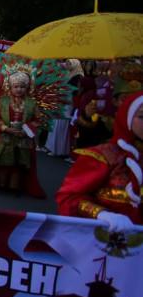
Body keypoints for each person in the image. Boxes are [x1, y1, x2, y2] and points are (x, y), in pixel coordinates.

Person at [0, 58, 71, 198]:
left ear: (28, 87)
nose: (19, 89)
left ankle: (14, 186)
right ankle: (2, 184)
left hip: (24, 139)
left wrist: (27, 129)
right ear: (10, 87)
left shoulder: (31, 103)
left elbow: (38, 119)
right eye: (16, 86)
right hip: (4, 137)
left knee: (19, 164)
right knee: (4, 162)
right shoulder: (2, 101)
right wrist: (5, 128)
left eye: (22, 86)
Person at [56, 91, 143, 231]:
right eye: (142, 116)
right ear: (127, 117)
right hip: (105, 241)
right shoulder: (103, 156)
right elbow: (69, 197)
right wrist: (101, 214)